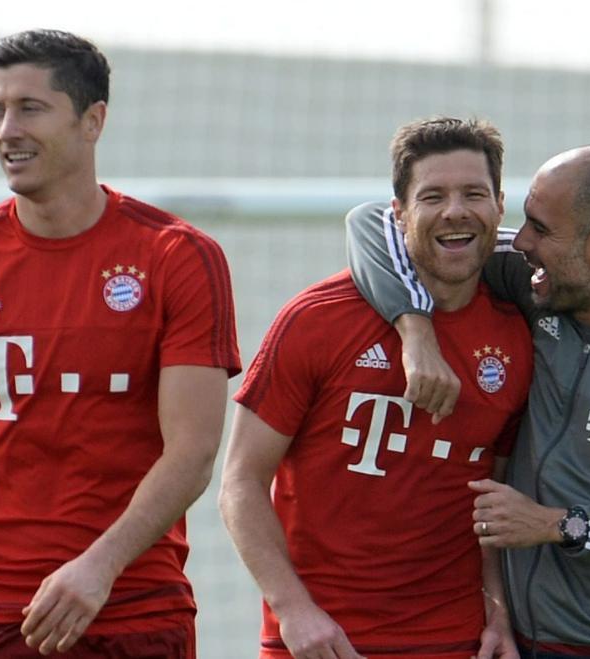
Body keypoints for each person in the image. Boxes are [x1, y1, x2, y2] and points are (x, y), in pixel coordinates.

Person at [0, 29, 241, 658]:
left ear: (92, 120)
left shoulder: (177, 257)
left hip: (130, 608)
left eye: (30, 109)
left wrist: (99, 566)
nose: (6, 130)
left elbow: (193, 451)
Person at [344, 144, 590, 658]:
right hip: (515, 640)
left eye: (540, 228)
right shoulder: (540, 282)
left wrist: (560, 525)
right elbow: (371, 223)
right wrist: (416, 329)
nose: (524, 243)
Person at [219, 117, 531, 659]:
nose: (455, 210)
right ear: (398, 213)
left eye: (473, 194)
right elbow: (241, 482)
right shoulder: (317, 319)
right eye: (433, 195)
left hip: (454, 640)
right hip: (322, 641)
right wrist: (294, 610)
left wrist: (499, 616)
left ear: (500, 207)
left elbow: (493, 504)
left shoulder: (517, 337)